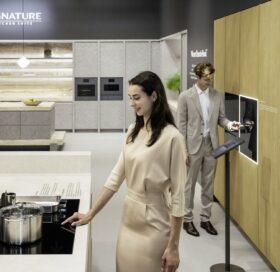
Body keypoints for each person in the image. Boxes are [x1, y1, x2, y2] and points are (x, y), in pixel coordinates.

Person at [62, 71, 187, 272]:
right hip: (129, 220)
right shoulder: (132, 131)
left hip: (155, 224)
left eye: (137, 98)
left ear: (154, 96)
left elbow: (179, 196)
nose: (132, 103)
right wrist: (90, 214)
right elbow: (115, 178)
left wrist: (173, 246)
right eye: (130, 98)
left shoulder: (173, 138)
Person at [177, 62, 240, 237]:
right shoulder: (185, 97)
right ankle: (187, 220)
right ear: (197, 77)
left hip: (211, 145)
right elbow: (181, 127)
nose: (209, 82)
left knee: (208, 182)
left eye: (211, 78)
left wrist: (230, 124)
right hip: (192, 147)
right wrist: (183, 150)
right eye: (206, 79)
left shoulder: (217, 95)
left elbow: (221, 118)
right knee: (189, 184)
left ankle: (205, 218)